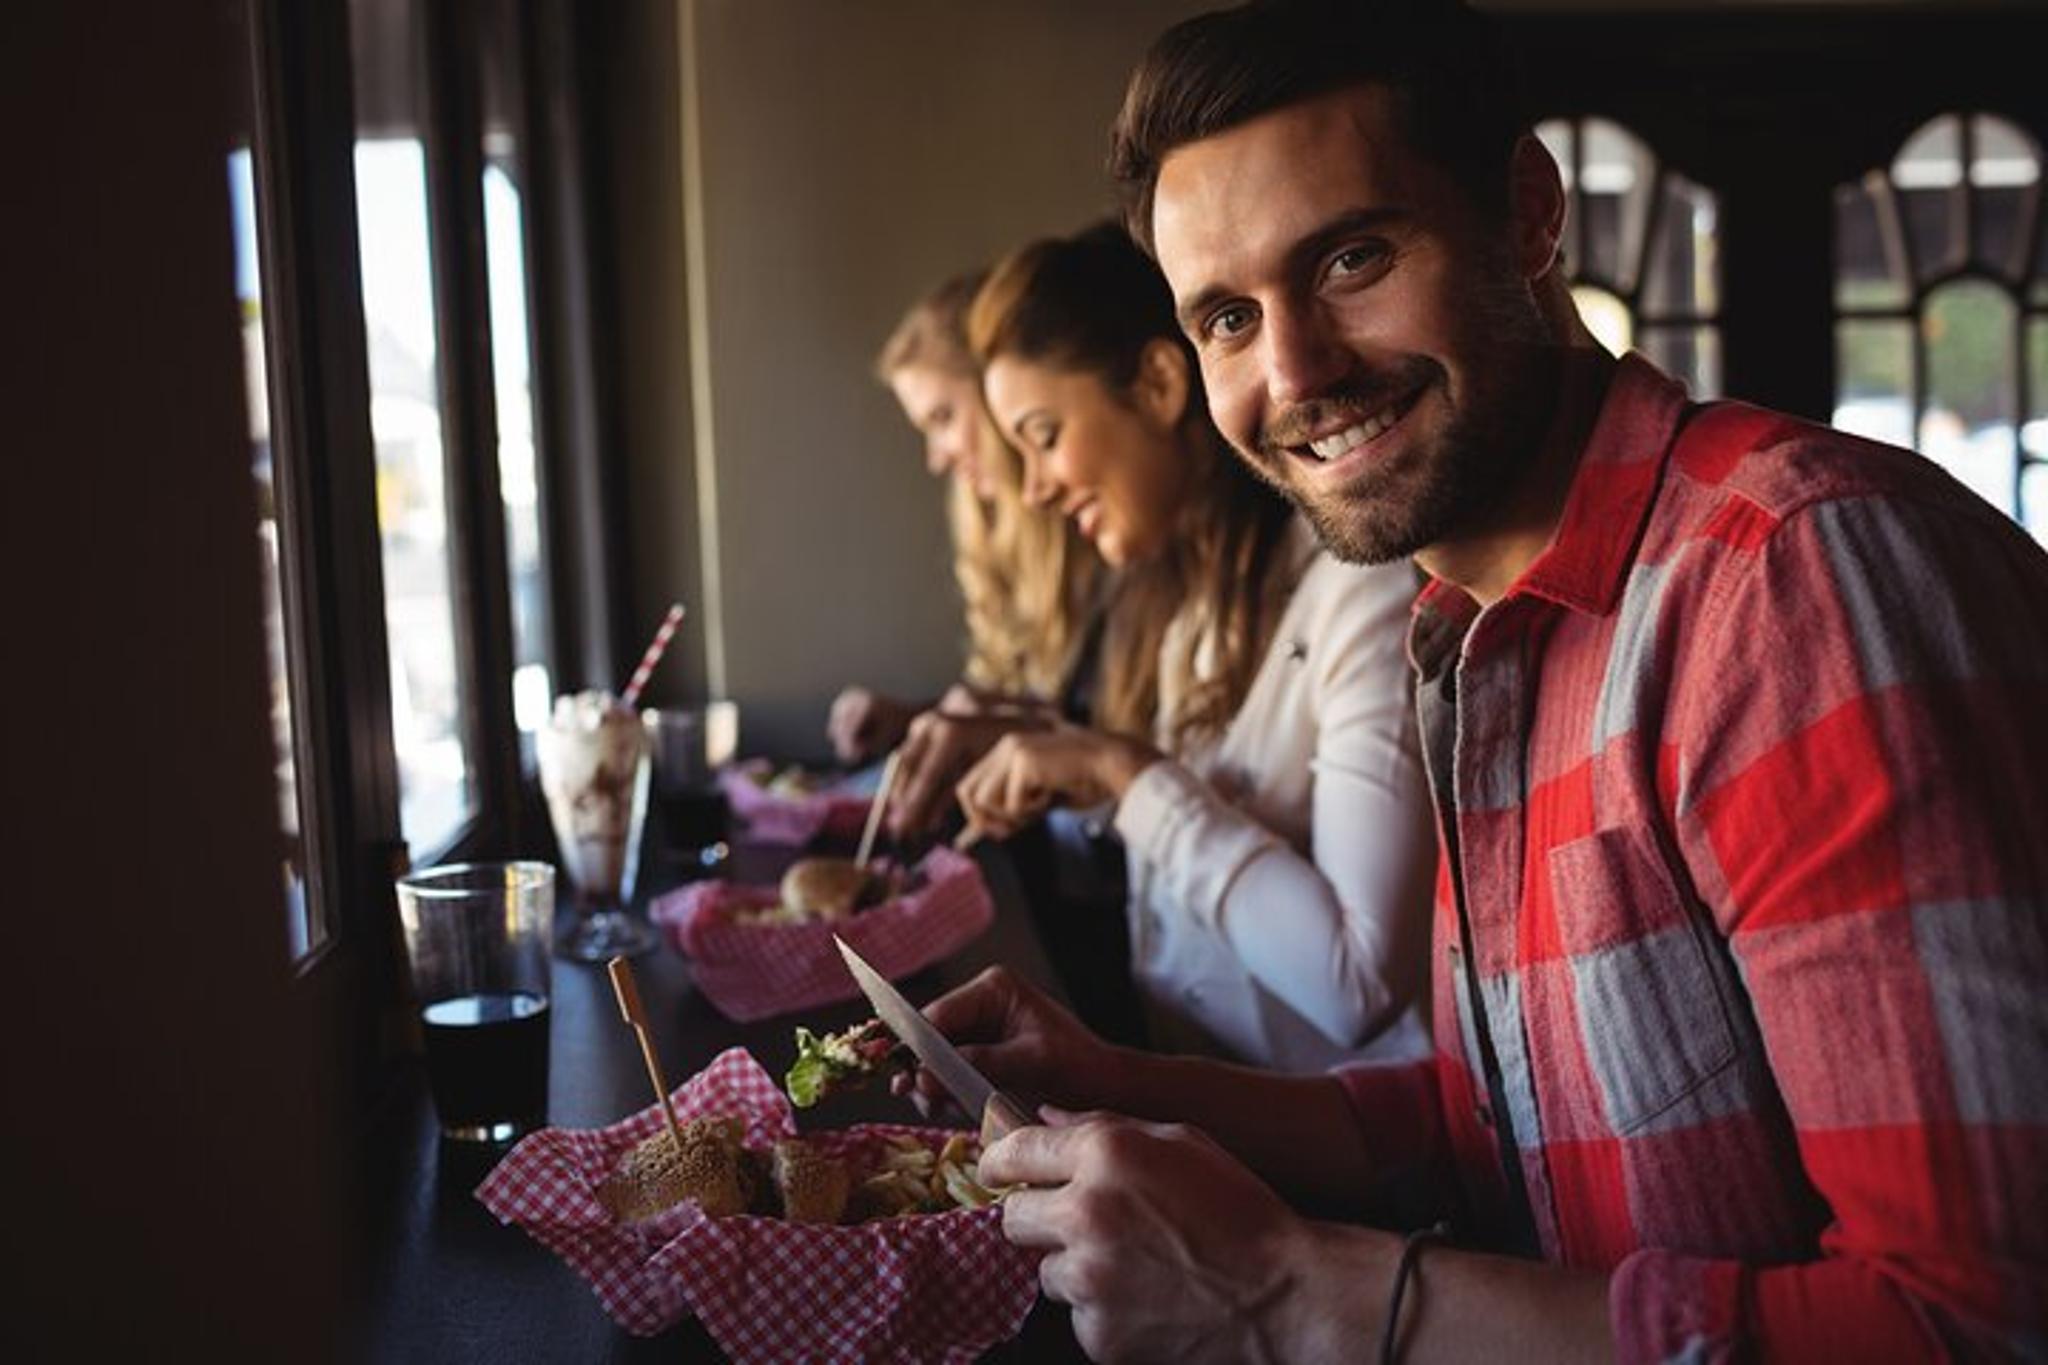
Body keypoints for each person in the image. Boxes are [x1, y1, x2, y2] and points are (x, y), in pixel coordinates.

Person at [902, 1, 2048, 1361]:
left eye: (1352, 257)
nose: (1295, 372)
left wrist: (1283, 1287)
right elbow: (1498, 1118)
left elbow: (1973, 1322)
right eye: (1225, 317)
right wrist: (1121, 1087)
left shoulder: (1792, 583)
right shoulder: (1466, 619)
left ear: (1527, 213)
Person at [945, 222, 1435, 1070]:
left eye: (1044, 434)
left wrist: (1124, 772)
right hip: (1209, 1128)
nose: (1034, 488)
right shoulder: (1181, 602)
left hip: (1364, 1176)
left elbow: (1357, 985)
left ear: (1160, 384)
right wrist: (1038, 753)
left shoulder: (1361, 592)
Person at [827, 269, 1103, 766]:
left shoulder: (1111, 532)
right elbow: (1033, 717)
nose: (938, 459)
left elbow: (1108, 740)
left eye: (943, 419)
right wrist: (912, 719)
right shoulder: (1007, 550)